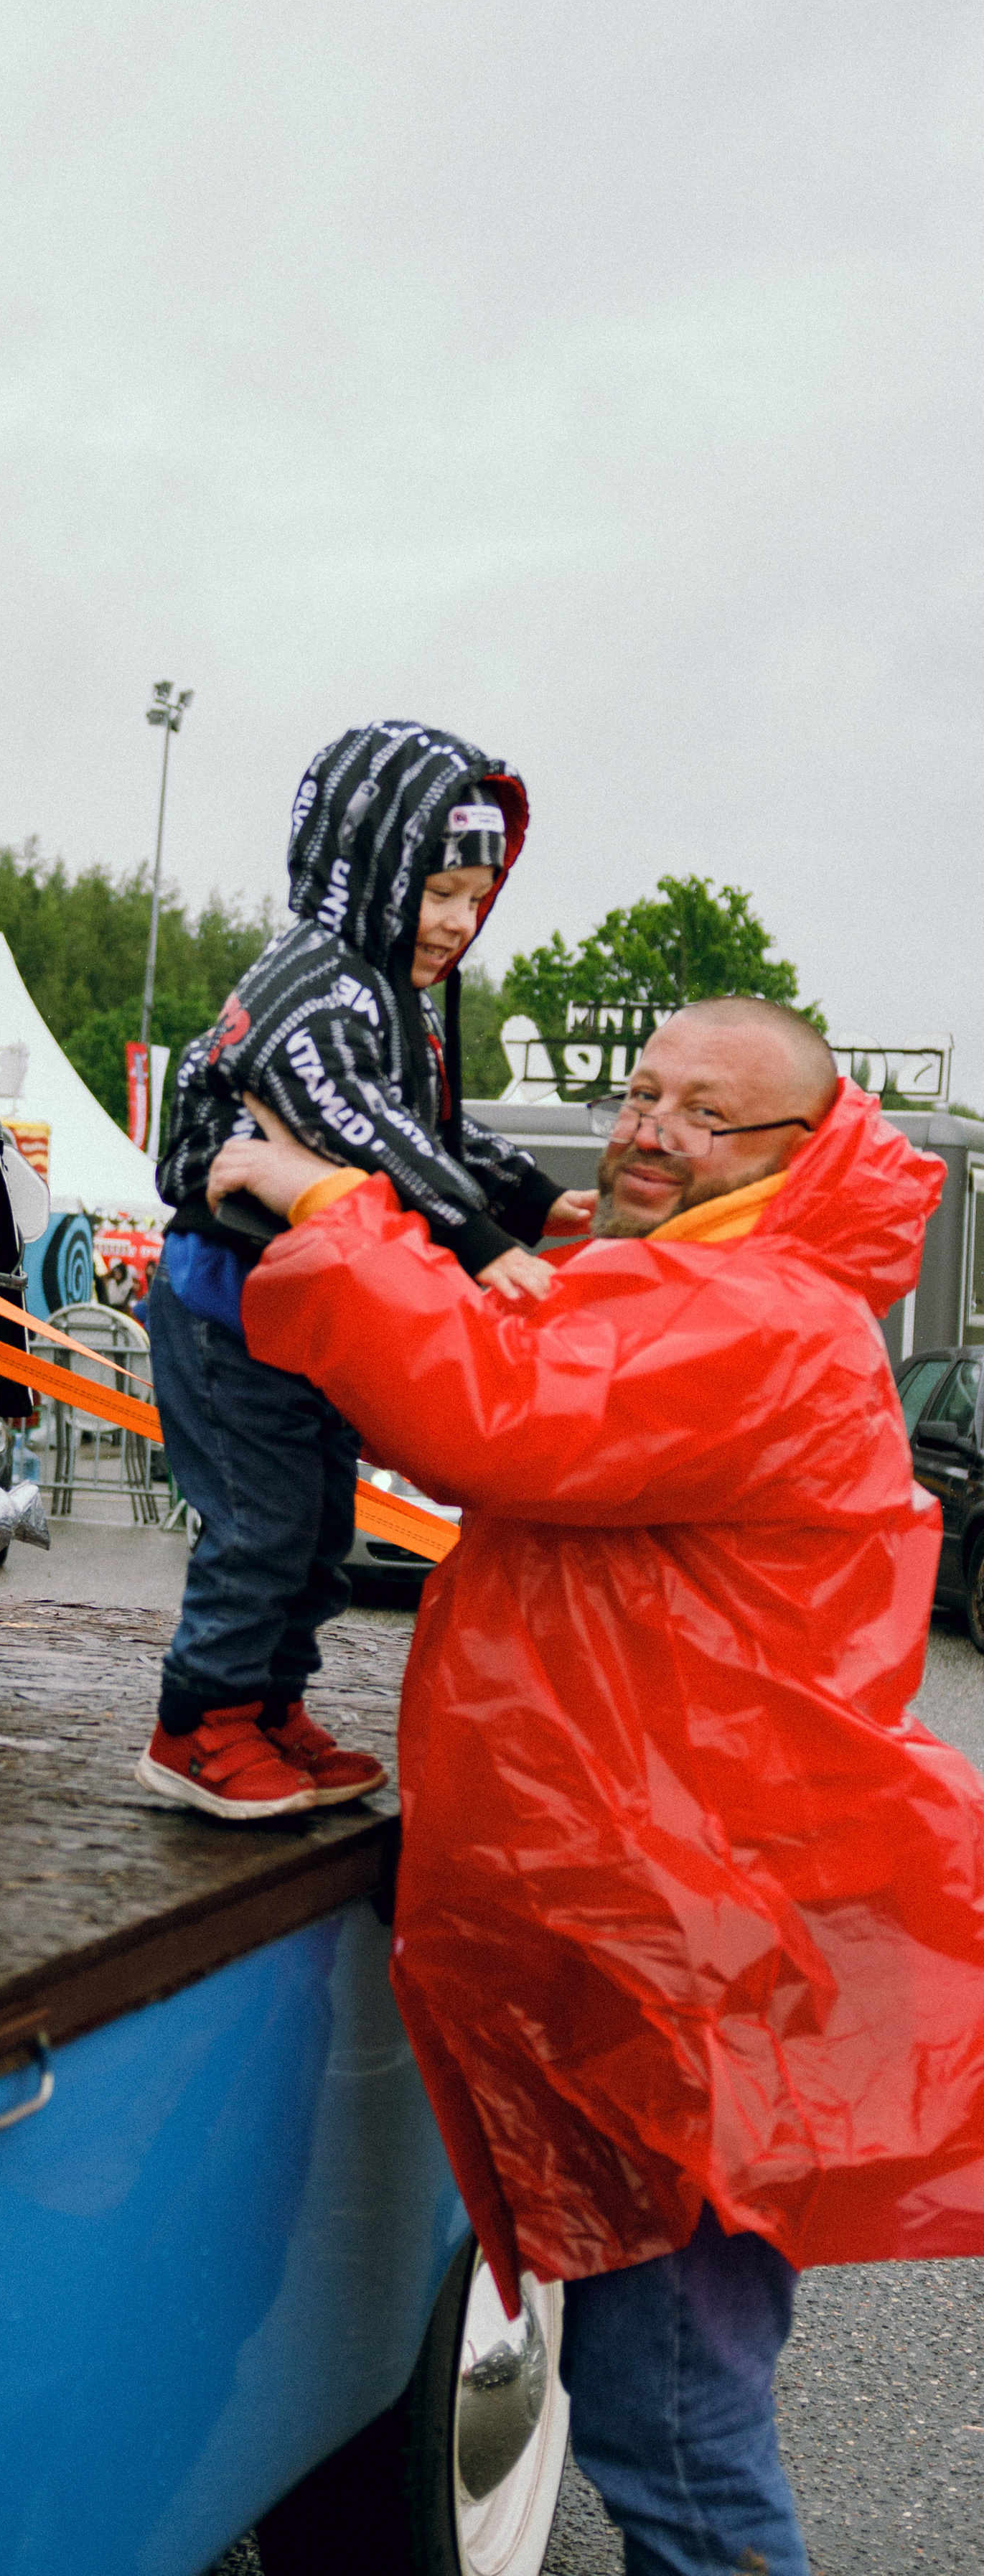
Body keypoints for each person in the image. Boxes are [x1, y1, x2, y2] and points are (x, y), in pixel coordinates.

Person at [210, 997, 984, 2576]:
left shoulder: (755, 1315)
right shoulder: (718, 1284)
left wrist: (334, 1206)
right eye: (637, 1091)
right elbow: (542, 1370)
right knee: (672, 2407)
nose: (647, 1128)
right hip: (677, 1933)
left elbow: (490, 1418)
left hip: (684, 1962)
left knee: (674, 2429)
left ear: (795, 1149)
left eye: (701, 1114)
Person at [139, 720, 594, 1820]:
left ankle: (267, 1707)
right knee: (261, 1528)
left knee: (317, 1530)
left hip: (306, 1326)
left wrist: (536, 1196)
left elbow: (437, 1126)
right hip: (227, 1318)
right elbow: (361, 1127)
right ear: (372, 869)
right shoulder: (314, 984)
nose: (456, 921)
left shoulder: (396, 1002)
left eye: (476, 899)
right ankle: (197, 1727)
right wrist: (484, 1244)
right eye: (438, 890)